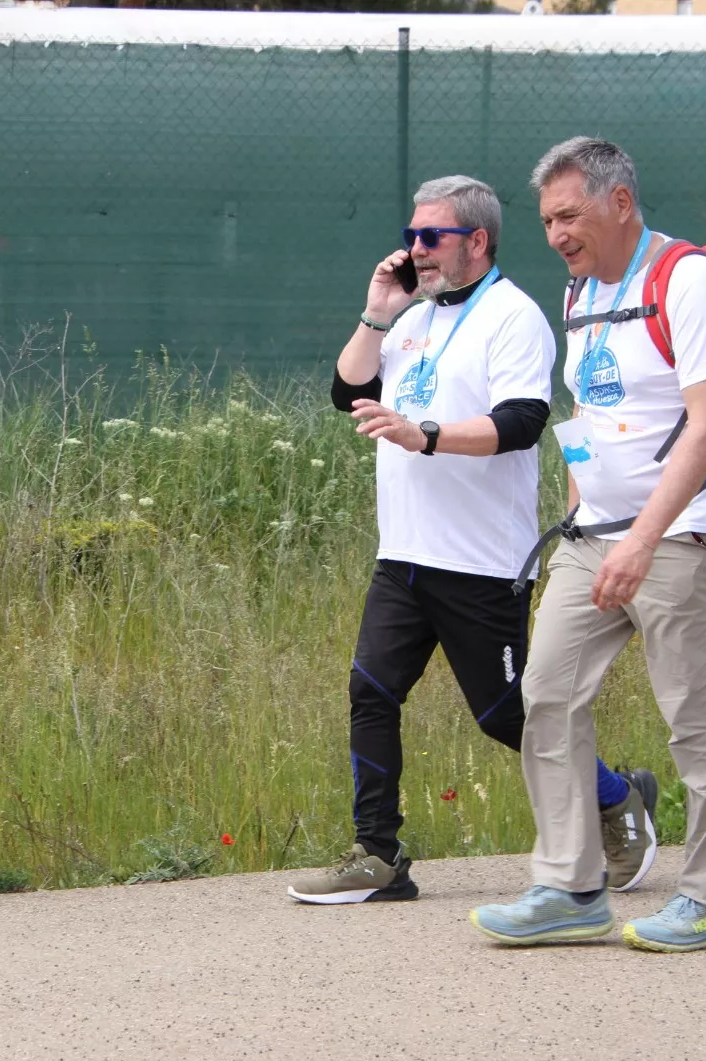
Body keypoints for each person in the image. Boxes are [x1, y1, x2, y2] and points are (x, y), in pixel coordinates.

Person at [287, 175, 658, 906]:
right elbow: (345, 391)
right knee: (371, 690)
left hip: (483, 559)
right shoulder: (412, 317)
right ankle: (379, 856)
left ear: (477, 241)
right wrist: (374, 313)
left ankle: (618, 798)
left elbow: (521, 421)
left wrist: (421, 435)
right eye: (411, 237)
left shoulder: (512, 317)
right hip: (405, 557)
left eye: (432, 238)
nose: (415, 251)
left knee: (506, 716)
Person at [471, 138, 706, 951]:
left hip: (684, 539)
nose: (556, 232)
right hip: (592, 538)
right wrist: (577, 521)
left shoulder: (686, 280)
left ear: (619, 201)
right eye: (548, 219)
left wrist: (643, 538)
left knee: (694, 721)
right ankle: (570, 887)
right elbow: (588, 424)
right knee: (546, 697)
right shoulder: (579, 288)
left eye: (570, 214)